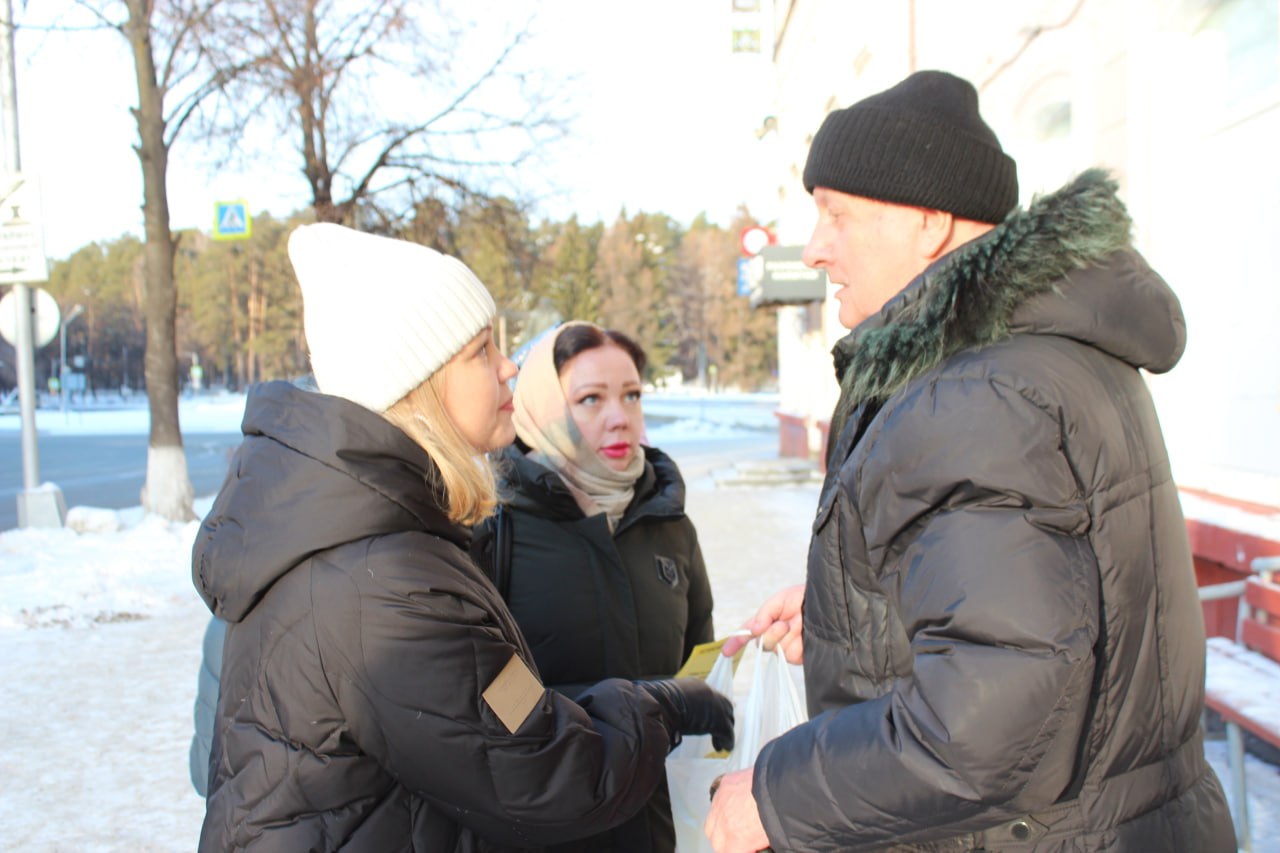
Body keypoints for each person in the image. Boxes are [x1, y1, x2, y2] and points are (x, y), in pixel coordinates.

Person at [705, 70, 1235, 852]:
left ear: (928, 220)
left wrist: (779, 793)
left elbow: (996, 722)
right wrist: (846, 621)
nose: (815, 248)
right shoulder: (1036, 355)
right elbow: (1039, 631)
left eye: (836, 215)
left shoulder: (982, 392)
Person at [192, 223, 733, 852]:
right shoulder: (384, 585)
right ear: (417, 384)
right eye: (481, 350)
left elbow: (493, 717)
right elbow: (543, 770)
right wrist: (660, 706)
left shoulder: (383, 542)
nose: (509, 367)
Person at [472, 321, 715, 852]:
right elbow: (480, 692)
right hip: (539, 829)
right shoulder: (493, 526)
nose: (619, 417)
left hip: (655, 827)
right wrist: (627, 715)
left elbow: (698, 661)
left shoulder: (668, 524)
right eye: (589, 399)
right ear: (541, 410)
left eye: (631, 395)